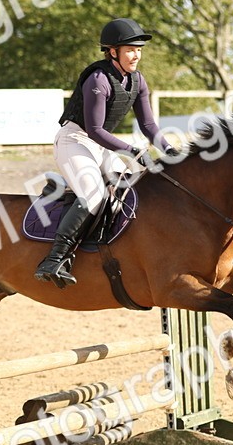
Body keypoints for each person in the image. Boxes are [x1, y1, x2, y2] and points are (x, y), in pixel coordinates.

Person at [34, 17, 174, 287]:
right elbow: (96, 129)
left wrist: (170, 150)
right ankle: (55, 259)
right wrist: (132, 150)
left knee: (136, 186)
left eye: (139, 50)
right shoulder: (98, 79)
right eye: (131, 49)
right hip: (75, 140)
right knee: (95, 194)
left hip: (101, 145)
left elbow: (147, 125)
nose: (136, 55)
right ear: (113, 51)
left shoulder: (138, 80)